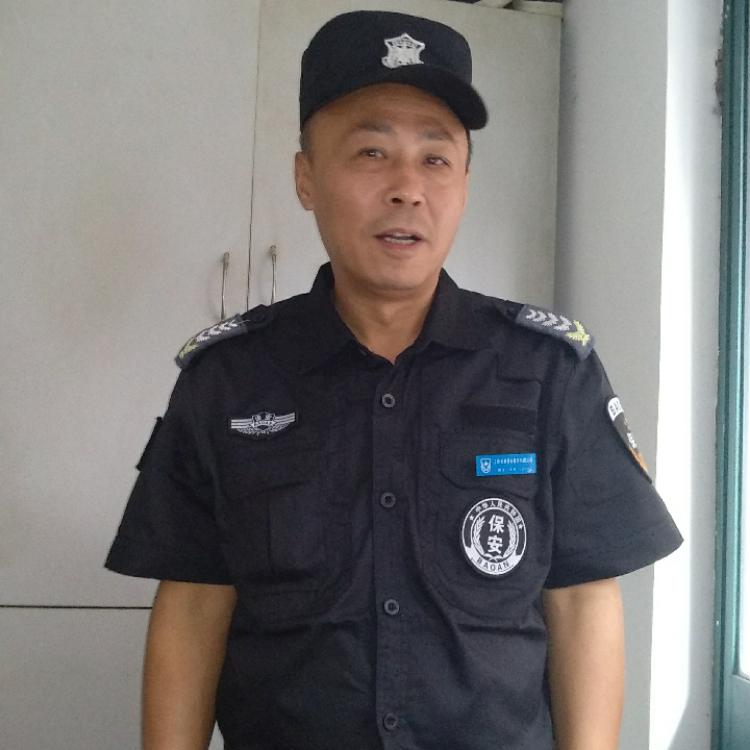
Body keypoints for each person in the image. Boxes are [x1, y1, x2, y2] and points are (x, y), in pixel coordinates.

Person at [105, 10, 682, 750]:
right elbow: (192, 606)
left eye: (435, 159)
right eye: (371, 152)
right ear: (306, 177)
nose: (407, 188)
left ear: (464, 184)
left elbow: (582, 601)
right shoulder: (229, 380)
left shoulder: (547, 371)